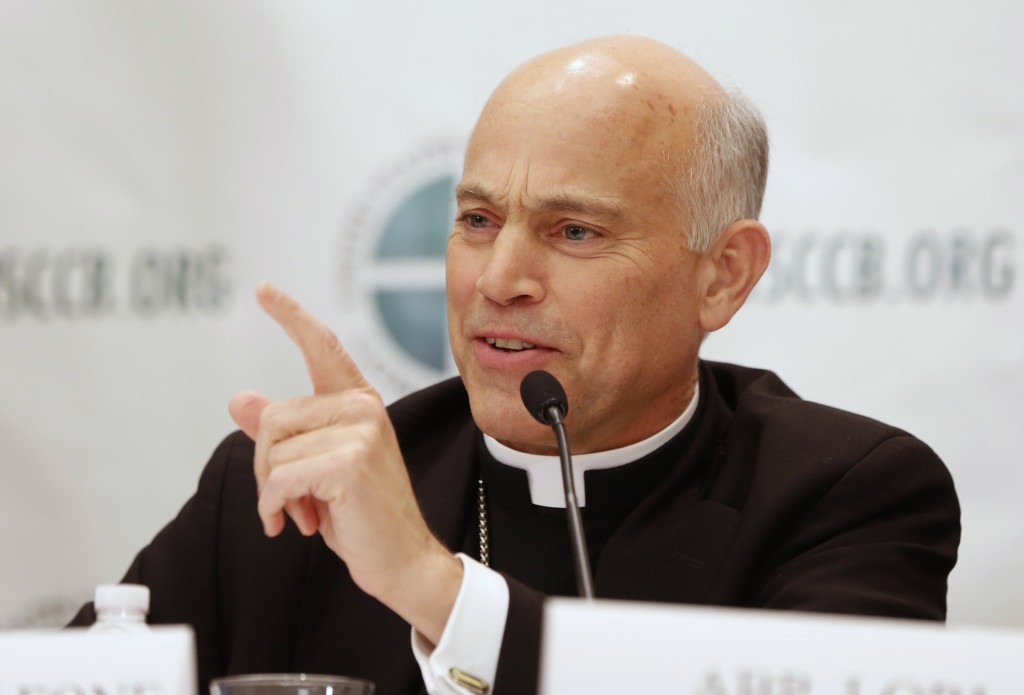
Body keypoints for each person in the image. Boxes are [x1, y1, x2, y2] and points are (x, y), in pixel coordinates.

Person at [71, 35, 960, 695]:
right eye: (478, 220)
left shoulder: (848, 498)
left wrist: (432, 585)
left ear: (723, 275)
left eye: (575, 231)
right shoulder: (293, 491)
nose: (500, 280)